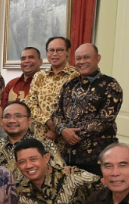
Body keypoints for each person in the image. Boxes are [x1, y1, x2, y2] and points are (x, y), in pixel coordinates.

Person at [51, 43, 123, 176]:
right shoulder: (69, 85)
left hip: (97, 157)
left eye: (86, 57)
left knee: (98, 195)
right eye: (78, 58)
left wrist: (73, 134)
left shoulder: (110, 85)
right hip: (67, 156)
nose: (82, 61)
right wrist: (63, 130)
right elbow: (56, 113)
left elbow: (105, 119)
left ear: (98, 58)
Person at [15, 138, 102, 204]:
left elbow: (108, 190)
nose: (29, 165)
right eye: (22, 162)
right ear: (17, 166)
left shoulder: (74, 177)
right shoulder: (24, 196)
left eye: (33, 159)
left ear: (46, 158)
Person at [0, 101, 65, 183]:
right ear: (2, 121)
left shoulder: (45, 145)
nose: (12, 120)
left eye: (18, 116)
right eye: (7, 116)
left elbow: (60, 176)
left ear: (29, 120)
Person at [27, 37, 79, 139]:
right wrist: (48, 122)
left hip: (65, 135)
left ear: (68, 52)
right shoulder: (39, 76)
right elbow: (31, 103)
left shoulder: (76, 76)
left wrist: (57, 129)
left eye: (59, 50)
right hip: (41, 133)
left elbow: (76, 106)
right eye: (51, 50)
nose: (54, 54)